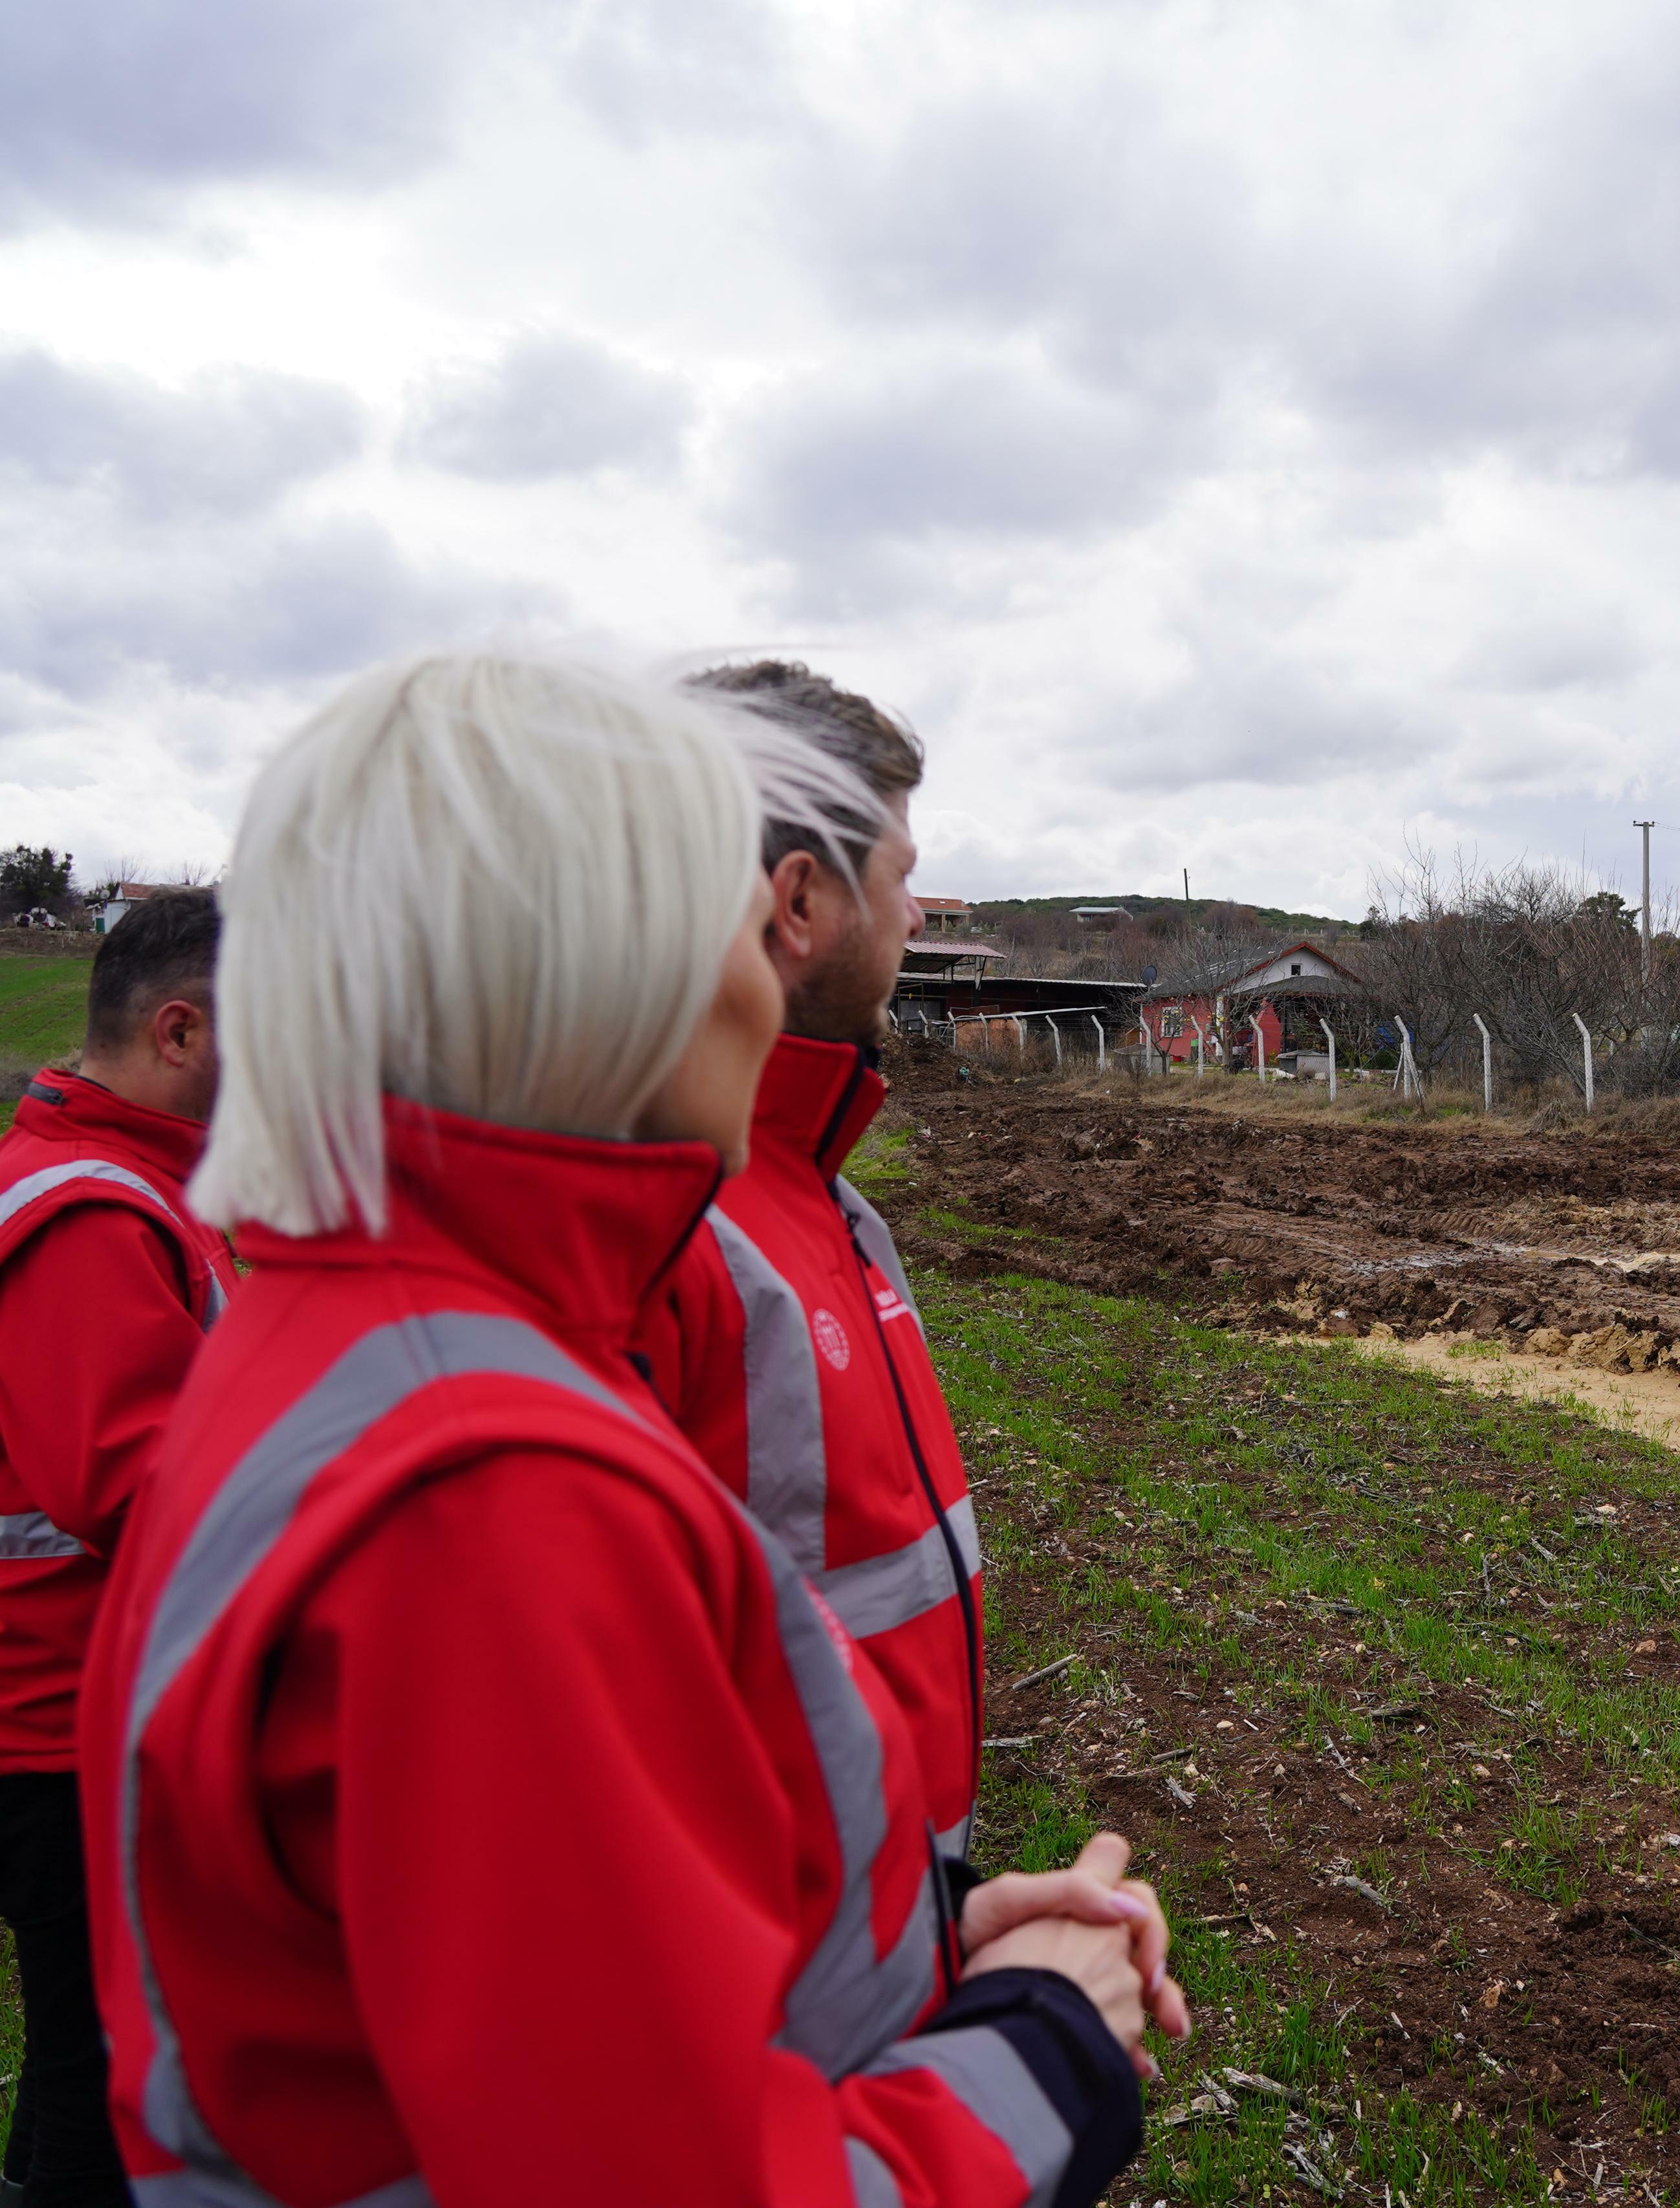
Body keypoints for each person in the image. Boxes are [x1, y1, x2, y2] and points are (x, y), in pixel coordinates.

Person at [81, 653, 1183, 2205]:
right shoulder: (489, 1499)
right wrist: (1050, 2046)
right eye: (730, 935)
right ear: (621, 975)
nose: (757, 989)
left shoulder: (349, 1337)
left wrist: (933, 1957)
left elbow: (543, 1980)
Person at [635, 662, 988, 1875]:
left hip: (875, 1941)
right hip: (789, 2005)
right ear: (800, 903)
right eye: (899, 873)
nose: (919, 915)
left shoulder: (826, 1205)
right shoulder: (666, 1230)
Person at [0, 892, 231, 2207]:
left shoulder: (136, 1185)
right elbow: (145, 1490)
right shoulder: (90, 1213)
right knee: (106, 2066)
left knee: (91, 2053)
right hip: (63, 1724)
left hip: (85, 1702)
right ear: (184, 1030)